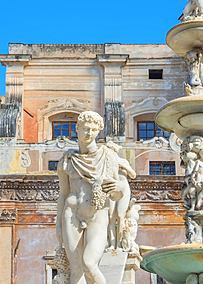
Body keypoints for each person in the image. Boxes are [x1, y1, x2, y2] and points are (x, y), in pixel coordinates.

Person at [57, 111, 136, 284]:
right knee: (75, 268)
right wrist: (58, 223)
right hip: (71, 214)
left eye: (93, 130)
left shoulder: (108, 157)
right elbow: (63, 194)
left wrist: (119, 188)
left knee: (89, 263)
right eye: (85, 129)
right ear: (77, 128)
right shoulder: (67, 161)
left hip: (97, 214)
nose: (89, 133)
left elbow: (116, 194)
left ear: (98, 131)